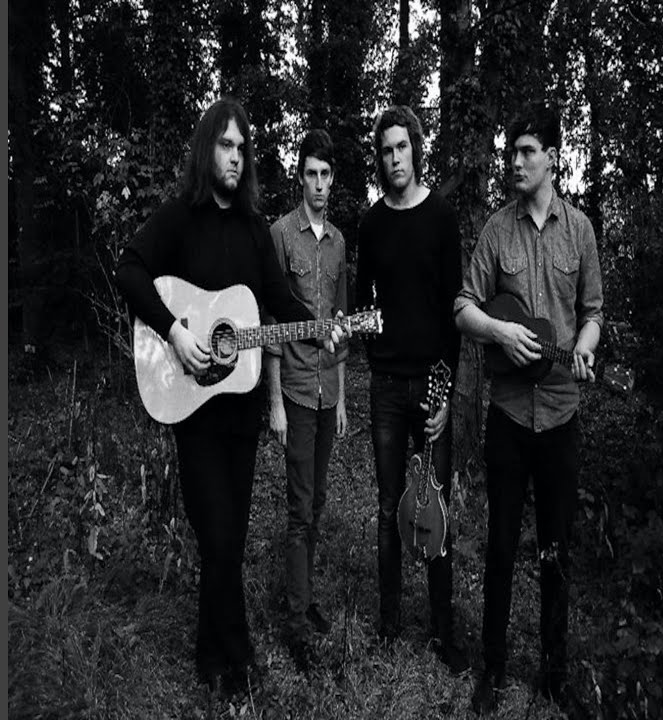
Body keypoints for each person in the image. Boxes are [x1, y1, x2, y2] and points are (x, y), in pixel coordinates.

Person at [113, 98, 345, 697]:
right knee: (216, 535)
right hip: (193, 410)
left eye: (243, 148)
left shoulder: (252, 229)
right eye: (226, 145)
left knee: (230, 540)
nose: (236, 157)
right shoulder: (179, 219)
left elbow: (279, 299)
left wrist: (319, 326)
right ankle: (235, 656)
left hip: (240, 410)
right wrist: (174, 330)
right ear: (206, 150)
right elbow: (130, 271)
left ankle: (210, 655)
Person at [454, 103, 603, 718]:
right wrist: (499, 331)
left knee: (555, 549)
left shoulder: (581, 231)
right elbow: (463, 307)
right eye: (511, 152)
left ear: (553, 159)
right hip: (510, 417)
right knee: (501, 545)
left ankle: (553, 673)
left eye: (526, 152)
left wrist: (586, 349)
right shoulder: (496, 231)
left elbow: (592, 313)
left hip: (562, 415)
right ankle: (492, 669)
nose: (515, 162)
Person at [354, 105, 468, 674]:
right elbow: (361, 304)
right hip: (385, 387)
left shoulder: (442, 218)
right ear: (379, 159)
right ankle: (389, 623)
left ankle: (443, 632)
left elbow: (455, 314)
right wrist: (362, 332)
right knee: (387, 504)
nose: (394, 158)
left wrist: (445, 395)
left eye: (402, 147)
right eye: (386, 150)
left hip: (432, 383)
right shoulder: (371, 224)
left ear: (415, 150)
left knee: (434, 504)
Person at [262, 129, 348, 673]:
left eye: (325, 175)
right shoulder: (280, 235)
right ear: (301, 178)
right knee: (299, 509)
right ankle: (294, 623)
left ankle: (305, 596)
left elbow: (341, 324)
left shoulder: (339, 243)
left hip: (326, 391)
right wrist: (273, 399)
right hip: (293, 389)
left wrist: (341, 398)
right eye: (311, 174)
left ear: (333, 179)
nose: (318, 184)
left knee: (316, 503)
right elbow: (272, 322)